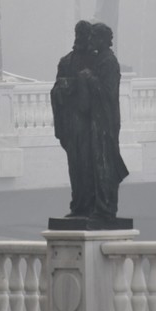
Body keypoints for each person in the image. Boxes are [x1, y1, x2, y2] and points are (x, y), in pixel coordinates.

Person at [81, 22, 128, 218]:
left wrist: (90, 78)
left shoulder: (109, 61)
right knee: (97, 162)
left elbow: (108, 92)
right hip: (98, 118)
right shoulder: (99, 59)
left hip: (105, 121)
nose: (90, 41)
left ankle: (106, 206)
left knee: (104, 161)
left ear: (102, 39)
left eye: (93, 37)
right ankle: (100, 204)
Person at [51, 21, 95, 217]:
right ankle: (78, 203)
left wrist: (80, 84)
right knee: (75, 165)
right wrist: (64, 88)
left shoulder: (96, 61)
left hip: (88, 124)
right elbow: (55, 89)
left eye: (84, 34)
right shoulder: (66, 62)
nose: (81, 38)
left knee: (88, 165)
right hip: (71, 122)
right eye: (79, 34)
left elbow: (102, 92)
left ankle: (90, 204)